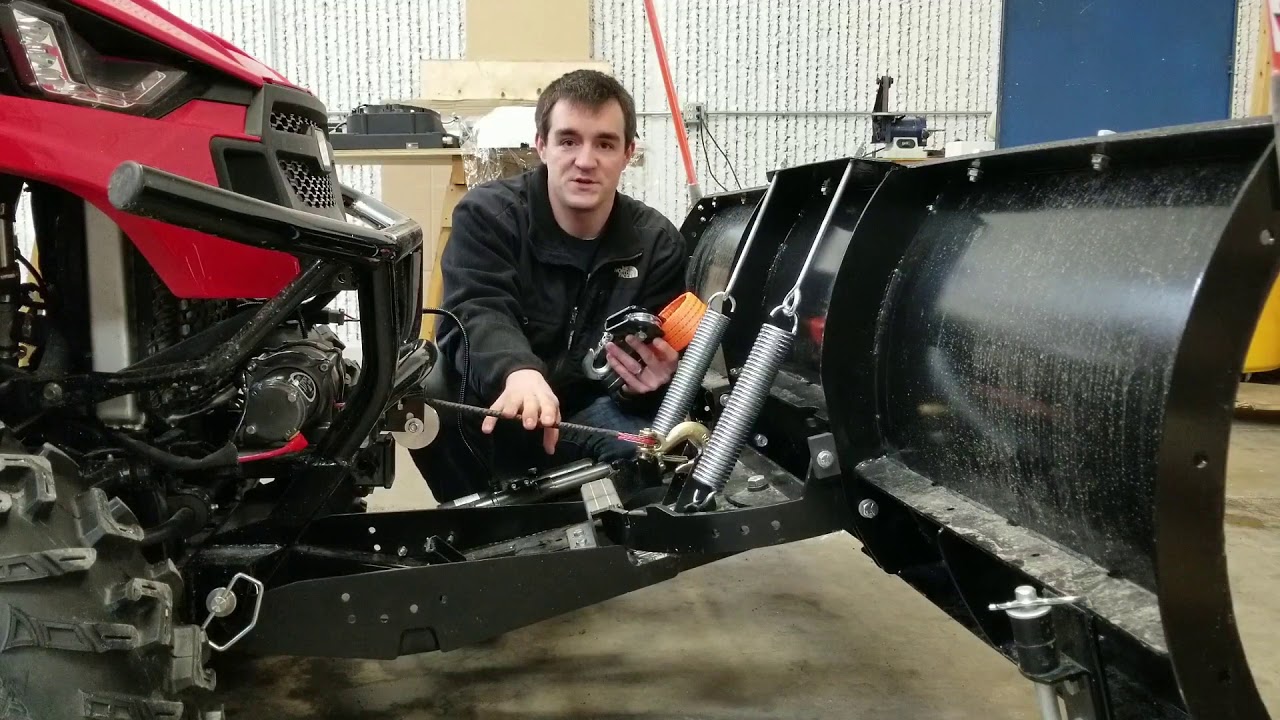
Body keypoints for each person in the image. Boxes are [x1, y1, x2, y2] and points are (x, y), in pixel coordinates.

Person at [413, 69, 690, 502]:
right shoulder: (488, 216)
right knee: (425, 389)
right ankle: (476, 523)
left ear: (628, 154)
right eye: (568, 141)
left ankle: (596, 532)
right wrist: (517, 371)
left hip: (586, 413)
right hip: (495, 404)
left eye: (605, 144)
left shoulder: (657, 244)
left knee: (652, 454)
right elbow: (476, 308)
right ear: (541, 145)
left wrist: (648, 386)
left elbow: (658, 363)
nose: (585, 161)